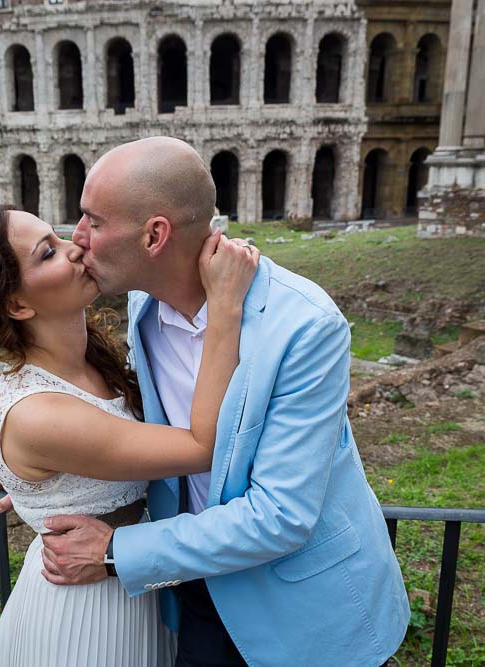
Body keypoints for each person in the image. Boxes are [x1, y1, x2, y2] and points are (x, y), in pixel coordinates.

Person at [38, 137, 410, 667]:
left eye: (93, 221)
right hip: (195, 591)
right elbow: (165, 427)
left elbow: (281, 515)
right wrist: (58, 470)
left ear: (154, 236)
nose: (76, 240)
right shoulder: (145, 304)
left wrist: (115, 552)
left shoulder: (305, 325)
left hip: (302, 609)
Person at [0, 205, 260, 666]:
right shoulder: (40, 415)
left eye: (59, 235)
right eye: (48, 253)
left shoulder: (89, 360)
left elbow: (106, 446)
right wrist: (225, 302)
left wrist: (41, 490)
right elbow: (202, 447)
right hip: (86, 611)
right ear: (18, 305)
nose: (75, 248)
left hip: (129, 578)